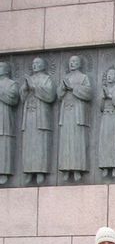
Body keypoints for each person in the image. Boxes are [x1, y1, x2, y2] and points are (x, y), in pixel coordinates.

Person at [56, 54, 92, 182]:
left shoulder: (84, 78)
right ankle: (65, 169)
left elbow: (88, 93)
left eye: (75, 61)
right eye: (70, 61)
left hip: (78, 114)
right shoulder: (65, 78)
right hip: (66, 114)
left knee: (77, 142)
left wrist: (74, 88)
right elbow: (59, 95)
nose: (72, 63)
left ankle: (78, 170)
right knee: (66, 142)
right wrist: (63, 89)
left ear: (79, 64)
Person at [20, 57, 56, 185]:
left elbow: (50, 96)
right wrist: (25, 89)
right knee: (29, 144)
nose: (34, 65)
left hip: (41, 116)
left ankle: (41, 171)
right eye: (33, 63)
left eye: (37, 63)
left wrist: (35, 88)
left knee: (41, 144)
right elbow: (22, 98)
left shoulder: (46, 79)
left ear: (43, 66)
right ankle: (29, 172)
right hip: (29, 115)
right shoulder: (28, 79)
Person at [0, 62, 19, 185]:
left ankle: (4, 172)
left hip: (5, 117)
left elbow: (14, 99)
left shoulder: (12, 84)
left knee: (5, 144)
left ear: (6, 70)